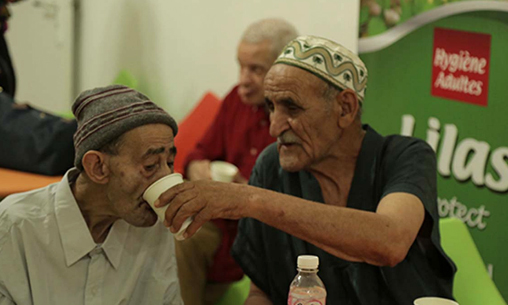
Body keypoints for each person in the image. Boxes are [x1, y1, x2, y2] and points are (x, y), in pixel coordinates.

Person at [157, 36, 456, 305]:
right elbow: (262, 292)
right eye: (271, 107)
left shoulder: (405, 156)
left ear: (345, 108)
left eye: (292, 108)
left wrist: (250, 200)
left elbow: (389, 242)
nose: (274, 126)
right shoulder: (272, 166)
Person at [0, 85, 183, 304]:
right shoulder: (14, 228)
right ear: (97, 167)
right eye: (151, 165)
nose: (166, 180)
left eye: (170, 163)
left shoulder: (154, 229)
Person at [178, 18, 298, 305]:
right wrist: (197, 167)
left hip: (257, 235)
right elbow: (199, 152)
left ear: (285, 70)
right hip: (215, 221)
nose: (243, 78)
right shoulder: (235, 100)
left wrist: (247, 193)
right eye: (241, 66)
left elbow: (295, 201)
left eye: (256, 69)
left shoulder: (298, 119)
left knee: (182, 237)